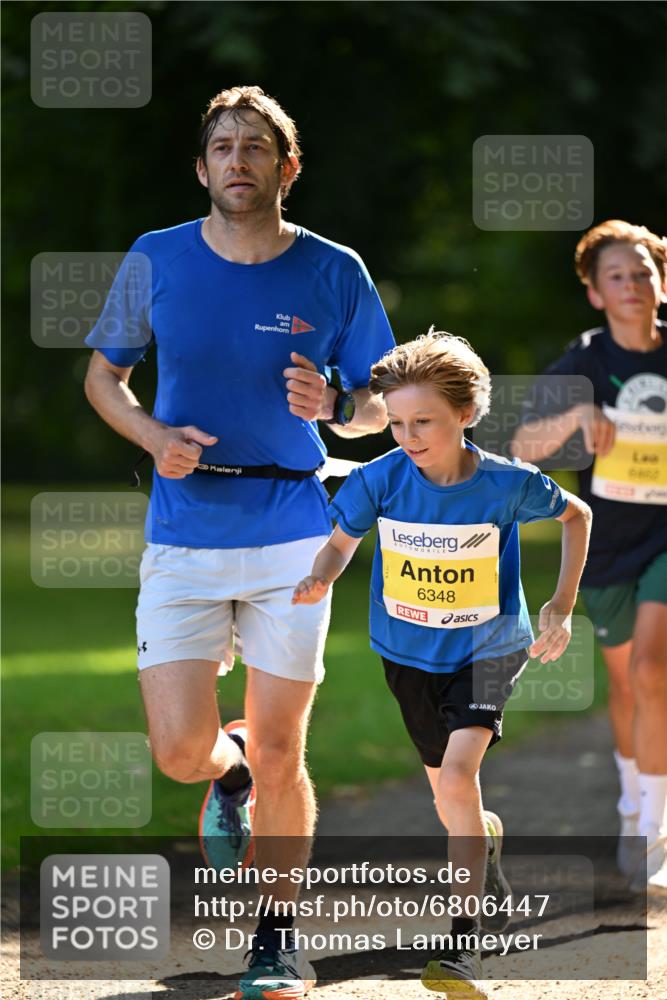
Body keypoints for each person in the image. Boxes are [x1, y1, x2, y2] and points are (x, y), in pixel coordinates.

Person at [83, 85, 394, 1000]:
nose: (238, 161)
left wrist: (338, 406)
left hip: (294, 531)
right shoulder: (156, 258)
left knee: (287, 746)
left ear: (286, 167)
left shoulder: (335, 269)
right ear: (202, 167)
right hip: (183, 530)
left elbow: (380, 398)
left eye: (256, 146)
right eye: (222, 146)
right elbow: (105, 378)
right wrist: (152, 439)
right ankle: (230, 773)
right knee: (180, 750)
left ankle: (275, 939)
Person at [293, 330, 592, 996]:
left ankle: (463, 945)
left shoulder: (505, 484)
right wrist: (320, 574)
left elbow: (577, 516)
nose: (406, 434)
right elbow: (340, 544)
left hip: (489, 647)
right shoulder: (379, 479)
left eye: (421, 421)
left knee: (457, 775)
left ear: (465, 413)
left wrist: (560, 605)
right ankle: (481, 841)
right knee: (447, 793)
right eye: (395, 421)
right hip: (407, 655)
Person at [511, 220, 667, 892]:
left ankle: (657, 833)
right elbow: (521, 446)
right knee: (626, 684)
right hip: (606, 545)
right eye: (616, 277)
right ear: (594, 292)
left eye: (642, 272)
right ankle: (631, 805)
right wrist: (576, 420)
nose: (631, 286)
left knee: (654, 669)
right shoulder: (582, 360)